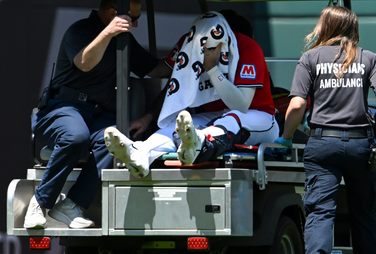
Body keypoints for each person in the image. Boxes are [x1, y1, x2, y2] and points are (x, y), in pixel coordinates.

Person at [274, 5, 376, 254]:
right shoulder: (368, 58)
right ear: (354, 29)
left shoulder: (310, 58)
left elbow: (298, 105)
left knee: (320, 211)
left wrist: (286, 137)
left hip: (322, 145)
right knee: (364, 217)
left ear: (324, 27)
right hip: (360, 146)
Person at [24, 0, 172, 229]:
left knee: (115, 141)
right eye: (132, 18)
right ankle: (39, 203)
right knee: (75, 136)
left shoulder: (125, 40)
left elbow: (154, 69)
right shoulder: (80, 31)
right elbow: (85, 62)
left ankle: (71, 206)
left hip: (98, 114)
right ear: (114, 13)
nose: (134, 24)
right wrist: (109, 33)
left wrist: (187, 58)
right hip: (61, 108)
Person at [103, 11, 279, 178]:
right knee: (179, 124)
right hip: (215, 116)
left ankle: (198, 144)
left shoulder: (247, 47)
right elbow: (171, 78)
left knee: (232, 118)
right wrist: (120, 41)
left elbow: (241, 105)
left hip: (258, 115)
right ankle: (140, 154)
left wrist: (211, 68)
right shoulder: (192, 41)